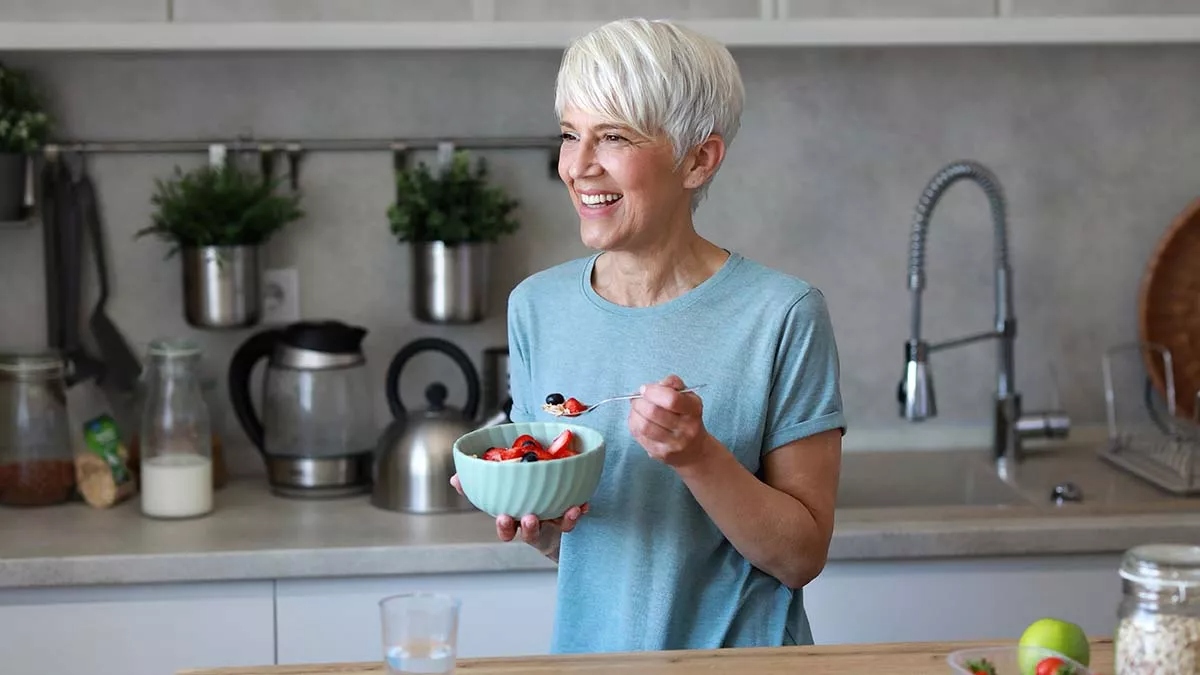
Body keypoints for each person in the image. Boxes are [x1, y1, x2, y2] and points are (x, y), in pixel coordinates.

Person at [450, 17, 846, 655]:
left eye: (612, 137)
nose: (578, 166)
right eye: (570, 135)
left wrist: (697, 455)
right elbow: (583, 546)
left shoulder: (782, 314)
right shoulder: (536, 307)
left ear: (698, 160)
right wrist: (537, 520)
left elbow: (800, 557)